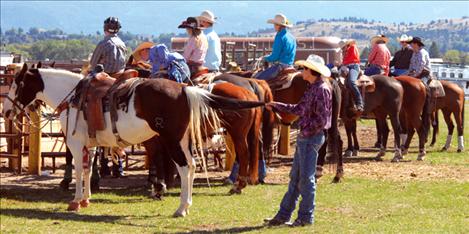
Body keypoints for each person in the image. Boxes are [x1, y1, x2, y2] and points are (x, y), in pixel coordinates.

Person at [264, 54, 332, 227]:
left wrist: (306, 132)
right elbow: (299, 108)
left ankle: (305, 217)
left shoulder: (321, 89)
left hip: (310, 138)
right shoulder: (313, 87)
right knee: (296, 177)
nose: (302, 71)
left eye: (304, 68)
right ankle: (284, 215)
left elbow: (322, 120)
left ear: (311, 71)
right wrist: (276, 105)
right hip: (308, 137)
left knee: (306, 179)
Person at [88, 16, 127, 177]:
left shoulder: (104, 43)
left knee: (88, 99)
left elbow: (93, 64)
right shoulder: (122, 43)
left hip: (107, 78)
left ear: (105, 28)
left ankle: (92, 130)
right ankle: (118, 166)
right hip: (120, 78)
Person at [255, 14, 296, 80]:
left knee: (257, 80)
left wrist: (265, 58)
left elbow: (275, 56)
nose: (274, 26)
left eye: (274, 24)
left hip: (280, 67)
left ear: (278, 25)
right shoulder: (292, 37)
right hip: (290, 66)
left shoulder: (280, 37)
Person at [339, 39, 363, 112]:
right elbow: (344, 62)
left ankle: (359, 103)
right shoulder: (345, 51)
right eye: (342, 48)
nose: (343, 49)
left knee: (352, 82)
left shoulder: (352, 47)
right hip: (347, 67)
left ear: (347, 45)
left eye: (343, 47)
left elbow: (353, 60)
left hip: (354, 67)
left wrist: (344, 65)